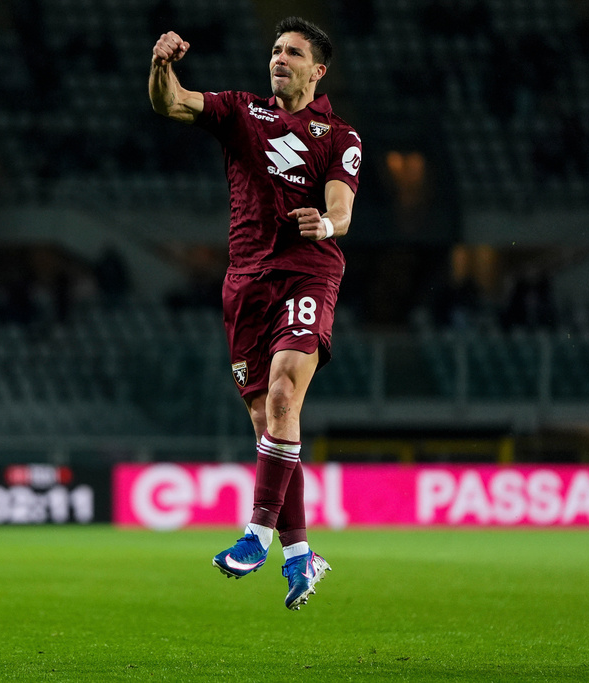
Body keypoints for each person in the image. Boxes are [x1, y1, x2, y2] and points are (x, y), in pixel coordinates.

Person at [149, 17, 362, 610]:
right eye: (274, 50)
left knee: (286, 397)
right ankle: (302, 556)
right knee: (269, 422)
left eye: (292, 52)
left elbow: (342, 210)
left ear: (318, 70)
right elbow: (172, 104)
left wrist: (324, 222)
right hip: (244, 283)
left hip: (307, 270)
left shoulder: (339, 135)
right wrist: (161, 65)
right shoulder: (243, 112)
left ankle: (257, 535)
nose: (279, 58)